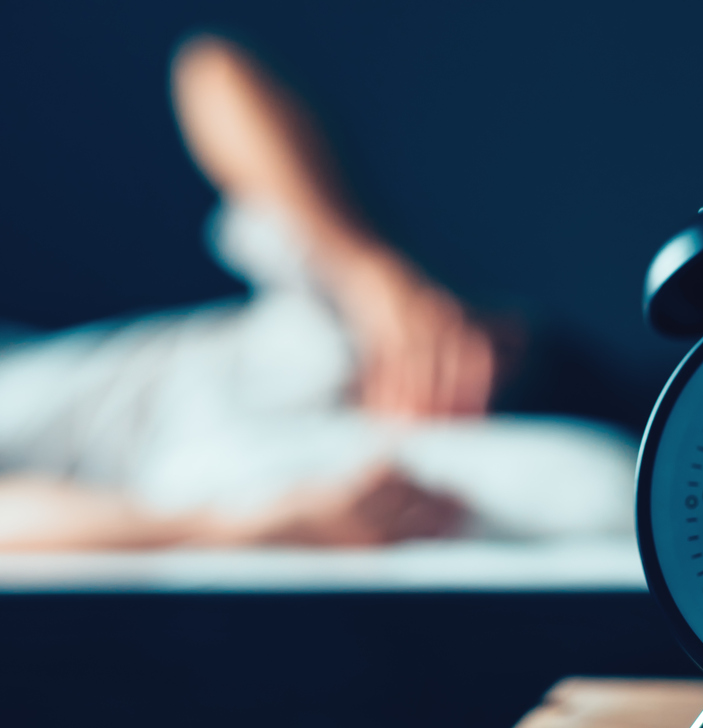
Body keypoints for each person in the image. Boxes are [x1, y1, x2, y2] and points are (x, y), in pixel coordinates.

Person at [0, 35, 634, 550]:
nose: (455, 366)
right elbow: (212, 68)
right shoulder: (335, 317)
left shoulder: (326, 472)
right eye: (487, 338)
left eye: (492, 384)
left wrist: (228, 532)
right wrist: (367, 267)